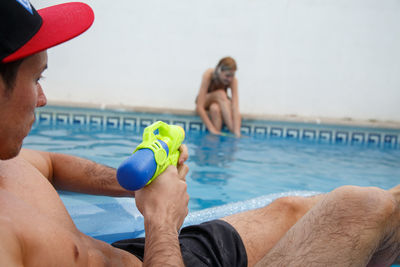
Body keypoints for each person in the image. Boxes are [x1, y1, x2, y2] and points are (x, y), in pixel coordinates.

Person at [1, 1, 400, 266]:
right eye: (36, 78)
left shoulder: (10, 162)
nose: (43, 98)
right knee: (359, 209)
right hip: (162, 251)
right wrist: (162, 221)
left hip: (147, 254)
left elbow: (50, 164)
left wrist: (137, 181)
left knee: (294, 209)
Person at [195, 57, 242, 137]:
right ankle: (232, 131)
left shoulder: (233, 80)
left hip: (218, 105)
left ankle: (215, 139)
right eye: (227, 76)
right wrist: (211, 129)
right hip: (206, 101)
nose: (230, 79)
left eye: (232, 75)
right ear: (219, 70)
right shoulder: (208, 75)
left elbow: (235, 106)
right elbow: (199, 107)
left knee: (215, 108)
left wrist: (238, 132)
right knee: (221, 94)